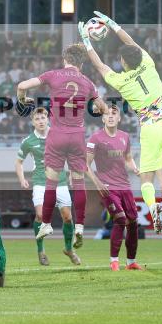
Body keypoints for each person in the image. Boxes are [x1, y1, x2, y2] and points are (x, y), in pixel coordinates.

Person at [78, 11, 162, 237]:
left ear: (124, 62)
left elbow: (100, 67)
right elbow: (131, 43)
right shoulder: (148, 63)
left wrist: (87, 41)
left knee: (146, 177)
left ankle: (152, 208)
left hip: (149, 129)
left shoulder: (121, 81)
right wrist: (113, 23)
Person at [16, 44, 107, 245]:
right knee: (79, 182)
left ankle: (47, 224)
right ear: (81, 63)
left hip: (56, 137)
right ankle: (80, 227)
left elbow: (22, 86)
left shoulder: (53, 74)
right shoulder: (88, 82)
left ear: (64, 59)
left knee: (51, 182)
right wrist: (97, 108)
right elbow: (104, 108)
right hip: (77, 137)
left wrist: (22, 100)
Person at [15, 108, 79, 266]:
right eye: (37, 119)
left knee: (67, 217)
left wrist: (72, 173)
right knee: (41, 216)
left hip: (60, 181)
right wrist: (22, 179)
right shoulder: (28, 141)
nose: (41, 121)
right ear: (33, 122)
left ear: (48, 119)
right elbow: (19, 162)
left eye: (43, 118)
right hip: (40, 182)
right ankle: (41, 251)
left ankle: (69, 249)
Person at [85, 106, 141, 271]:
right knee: (120, 219)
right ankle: (114, 261)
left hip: (125, 186)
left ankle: (131, 262)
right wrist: (97, 183)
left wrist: (135, 168)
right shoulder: (95, 138)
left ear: (119, 119)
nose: (110, 116)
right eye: (107, 114)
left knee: (133, 222)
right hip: (107, 187)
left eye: (114, 114)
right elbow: (85, 165)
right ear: (102, 119)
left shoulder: (125, 137)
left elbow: (128, 159)